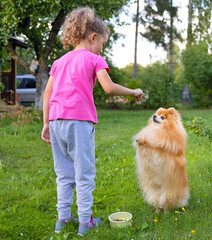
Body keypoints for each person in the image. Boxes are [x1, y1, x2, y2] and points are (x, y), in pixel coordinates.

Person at [41, 7, 143, 236]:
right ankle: (85, 222)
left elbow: (47, 94)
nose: (101, 49)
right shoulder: (94, 59)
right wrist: (133, 90)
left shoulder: (59, 62)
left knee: (64, 174)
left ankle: (63, 220)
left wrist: (46, 123)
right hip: (78, 122)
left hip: (56, 121)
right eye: (102, 44)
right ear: (93, 37)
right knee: (84, 173)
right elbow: (108, 87)